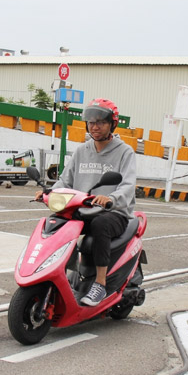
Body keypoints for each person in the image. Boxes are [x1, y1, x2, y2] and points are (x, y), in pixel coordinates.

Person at [41, 98, 137, 307]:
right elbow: (65, 180)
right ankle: (55, 274)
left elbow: (128, 185)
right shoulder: (81, 151)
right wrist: (49, 192)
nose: (95, 126)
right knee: (54, 223)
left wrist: (110, 198)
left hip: (114, 213)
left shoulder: (124, 152)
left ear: (112, 124)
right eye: (91, 122)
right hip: (82, 209)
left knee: (100, 225)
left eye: (101, 122)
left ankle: (100, 285)